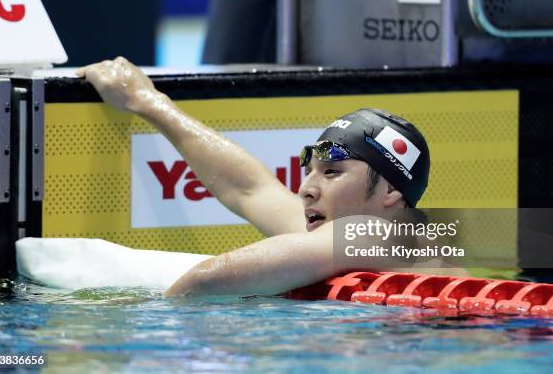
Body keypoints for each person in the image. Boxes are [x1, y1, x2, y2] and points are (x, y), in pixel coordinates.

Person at [76, 57, 443, 297]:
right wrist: (147, 100)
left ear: (392, 190)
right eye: (309, 170)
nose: (306, 189)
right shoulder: (351, 237)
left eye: (331, 172)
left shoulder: (384, 233)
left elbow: (207, 279)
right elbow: (249, 188)